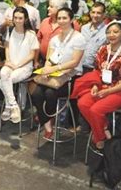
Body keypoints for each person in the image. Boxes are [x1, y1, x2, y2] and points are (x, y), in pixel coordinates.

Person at [72, 21, 121, 149]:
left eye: (115, 32)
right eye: (108, 32)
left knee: (96, 110)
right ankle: (103, 130)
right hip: (101, 86)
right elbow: (96, 71)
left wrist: (109, 91)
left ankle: (99, 137)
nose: (111, 35)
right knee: (83, 103)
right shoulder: (103, 49)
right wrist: (95, 85)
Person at [31, 8, 86, 139]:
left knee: (50, 94)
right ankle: (47, 123)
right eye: (59, 18)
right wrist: (46, 69)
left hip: (70, 77)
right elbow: (50, 59)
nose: (61, 21)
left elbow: (74, 62)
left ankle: (47, 119)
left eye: (65, 18)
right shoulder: (55, 39)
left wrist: (55, 69)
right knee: (36, 93)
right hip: (52, 75)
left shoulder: (78, 38)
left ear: (71, 19)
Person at [0, 7, 39, 123]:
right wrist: (8, 60)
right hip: (11, 64)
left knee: (3, 81)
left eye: (20, 18)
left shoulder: (31, 34)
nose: (17, 20)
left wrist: (18, 65)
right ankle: (14, 105)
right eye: (15, 18)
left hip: (25, 67)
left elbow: (32, 54)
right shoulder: (10, 30)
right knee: (3, 72)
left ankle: (8, 106)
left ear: (25, 19)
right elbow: (6, 46)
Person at [36, 0, 80, 64]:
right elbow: (38, 40)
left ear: (60, 9)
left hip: (63, 64)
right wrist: (36, 60)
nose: (48, 8)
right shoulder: (45, 21)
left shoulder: (72, 24)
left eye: (51, 6)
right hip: (44, 61)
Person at [80, 2, 108, 73]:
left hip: (95, 69)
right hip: (79, 67)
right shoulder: (84, 28)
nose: (95, 15)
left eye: (98, 13)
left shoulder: (107, 31)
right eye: (93, 12)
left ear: (104, 15)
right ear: (90, 13)